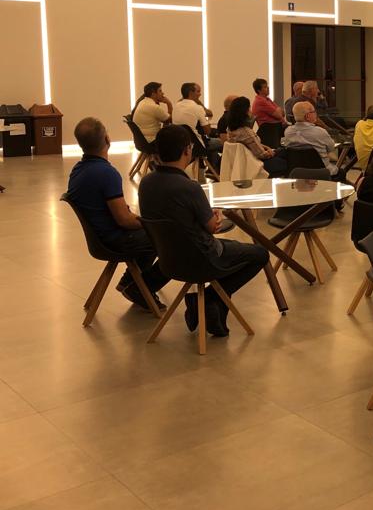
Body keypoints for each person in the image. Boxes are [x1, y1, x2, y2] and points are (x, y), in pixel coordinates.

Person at [139, 126, 269, 336]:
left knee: (233, 247)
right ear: (187, 150)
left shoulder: (146, 183)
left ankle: (208, 306)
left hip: (169, 261)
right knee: (260, 253)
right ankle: (211, 300)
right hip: (203, 259)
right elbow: (212, 227)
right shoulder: (189, 187)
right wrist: (215, 216)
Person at [65, 117, 169, 312]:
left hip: (99, 238)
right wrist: (150, 223)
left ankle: (130, 281)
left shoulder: (78, 170)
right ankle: (141, 288)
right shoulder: (107, 173)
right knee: (169, 236)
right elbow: (124, 220)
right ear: (107, 139)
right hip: (115, 240)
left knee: (155, 232)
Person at [225, 96, 286, 176]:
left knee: (281, 152)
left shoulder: (230, 130)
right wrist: (270, 153)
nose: (251, 111)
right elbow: (262, 155)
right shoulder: (246, 132)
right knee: (284, 157)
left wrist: (267, 148)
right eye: (249, 109)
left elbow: (250, 144)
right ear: (245, 112)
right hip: (256, 164)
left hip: (243, 163)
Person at [282, 100, 339, 176]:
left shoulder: (288, 132)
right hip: (321, 171)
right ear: (308, 116)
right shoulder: (320, 132)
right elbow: (331, 148)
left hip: (296, 172)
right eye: (314, 112)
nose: (316, 114)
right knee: (341, 172)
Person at [174, 82, 222, 157]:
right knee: (223, 142)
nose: (200, 94)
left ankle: (211, 163)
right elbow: (208, 131)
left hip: (180, 144)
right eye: (198, 91)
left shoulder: (176, 106)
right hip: (197, 145)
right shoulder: (197, 108)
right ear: (191, 93)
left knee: (212, 149)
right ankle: (219, 164)